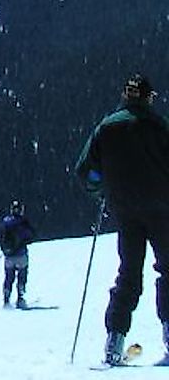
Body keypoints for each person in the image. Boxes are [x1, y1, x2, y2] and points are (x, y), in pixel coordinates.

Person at [75, 74, 169, 367]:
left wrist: (102, 187)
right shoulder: (158, 126)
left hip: (125, 210)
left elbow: (85, 171)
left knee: (128, 274)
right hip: (161, 208)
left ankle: (114, 342)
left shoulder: (107, 127)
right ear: (147, 97)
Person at [0, 199, 36, 308]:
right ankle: (20, 298)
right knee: (22, 275)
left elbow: (0, 237)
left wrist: (5, 249)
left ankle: (6, 298)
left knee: (9, 277)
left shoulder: (5, 222)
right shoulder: (23, 221)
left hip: (9, 256)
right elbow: (31, 235)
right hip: (21, 254)